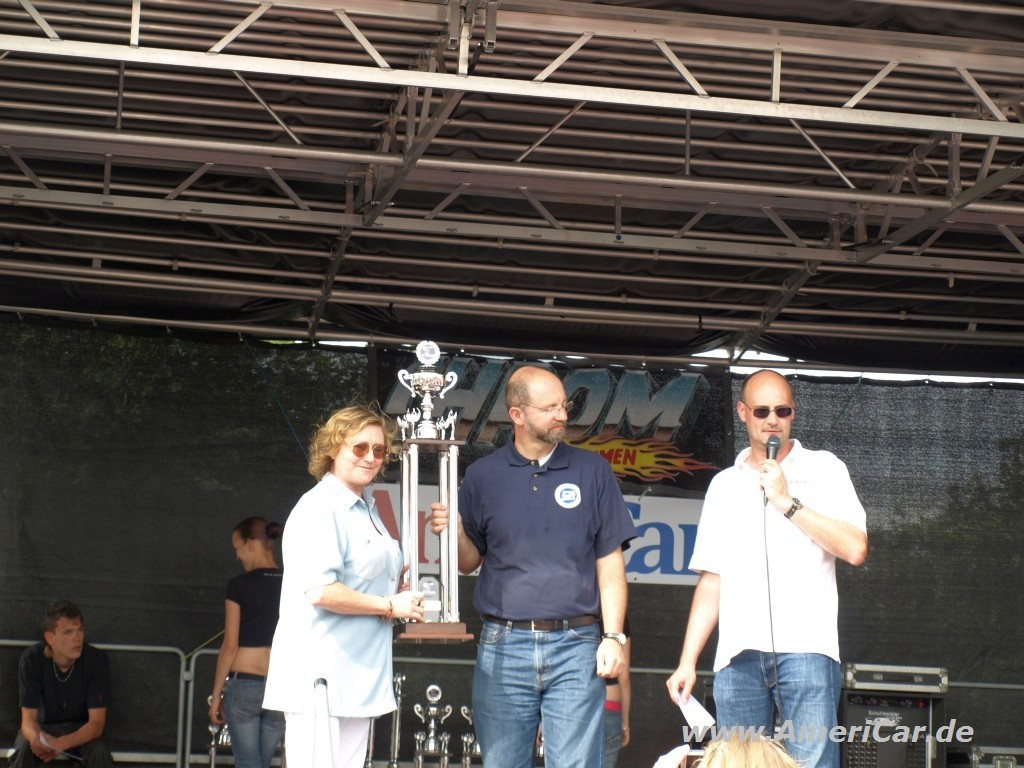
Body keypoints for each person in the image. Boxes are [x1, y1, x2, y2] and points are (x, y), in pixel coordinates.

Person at [429, 365, 636, 768]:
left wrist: (613, 636)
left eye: (564, 405)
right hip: (503, 643)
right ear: (517, 415)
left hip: (577, 643)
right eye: (550, 408)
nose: (563, 415)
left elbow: (610, 560)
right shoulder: (483, 475)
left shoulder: (593, 470)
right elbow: (468, 563)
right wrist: (455, 531)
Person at [667, 369, 869, 768]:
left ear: (793, 412)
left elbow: (855, 548)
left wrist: (786, 501)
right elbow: (712, 579)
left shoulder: (826, 468)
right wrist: (688, 660)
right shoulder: (724, 484)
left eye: (782, 410)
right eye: (761, 411)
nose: (772, 419)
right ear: (743, 412)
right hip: (737, 654)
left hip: (808, 649)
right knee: (738, 763)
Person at [263, 405, 425, 768]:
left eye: (378, 450)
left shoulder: (366, 506)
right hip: (321, 675)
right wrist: (389, 605)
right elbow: (321, 591)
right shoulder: (320, 506)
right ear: (333, 448)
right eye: (360, 447)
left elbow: (364, 580)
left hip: (358, 677)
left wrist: (394, 588)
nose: (370, 457)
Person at [209, 517, 286, 768]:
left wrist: (216, 694)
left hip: (245, 685)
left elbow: (230, 645)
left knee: (248, 763)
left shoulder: (238, 585)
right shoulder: (293, 583)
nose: (237, 556)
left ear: (250, 544)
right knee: (261, 763)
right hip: (281, 685)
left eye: (237, 548)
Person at [11, 601, 113, 768]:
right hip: (45, 727)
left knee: (99, 750)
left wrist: (61, 743)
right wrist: (37, 738)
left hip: (81, 729)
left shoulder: (96, 660)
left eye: (80, 630)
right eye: (68, 632)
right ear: (50, 638)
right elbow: (28, 720)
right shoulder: (31, 660)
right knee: (24, 746)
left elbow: (96, 724)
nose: (77, 638)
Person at [603, 614, 631, 768]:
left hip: (573, 707)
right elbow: (624, 678)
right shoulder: (618, 619)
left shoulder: (571, 613)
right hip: (610, 707)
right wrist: (625, 723)